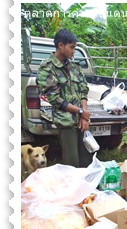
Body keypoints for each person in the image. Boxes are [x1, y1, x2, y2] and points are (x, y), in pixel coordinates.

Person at [36, 29, 92, 168]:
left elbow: (83, 90)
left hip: (81, 120)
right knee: (72, 163)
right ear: (61, 45)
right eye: (72, 47)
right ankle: (73, 189)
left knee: (87, 160)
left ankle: (88, 188)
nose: (74, 51)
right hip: (66, 121)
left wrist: (84, 115)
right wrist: (80, 111)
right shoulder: (47, 68)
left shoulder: (74, 67)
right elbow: (54, 98)